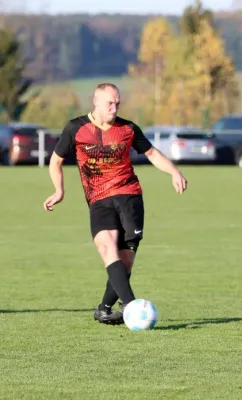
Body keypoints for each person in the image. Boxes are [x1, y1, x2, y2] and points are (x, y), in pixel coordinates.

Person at [43, 83, 188, 325]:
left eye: (117, 103)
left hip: (129, 195)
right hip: (99, 199)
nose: (114, 107)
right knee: (106, 249)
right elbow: (55, 161)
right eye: (110, 103)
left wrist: (174, 172)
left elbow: (151, 153)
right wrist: (59, 190)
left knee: (125, 260)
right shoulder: (76, 128)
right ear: (96, 102)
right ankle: (132, 306)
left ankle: (104, 308)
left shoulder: (128, 128)